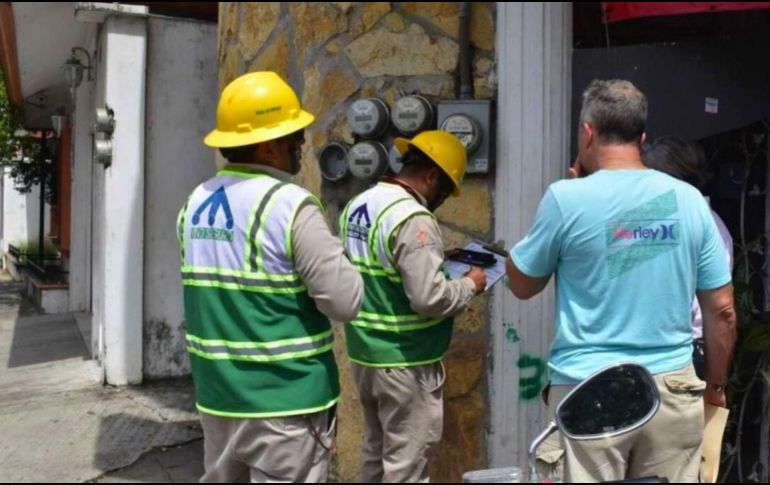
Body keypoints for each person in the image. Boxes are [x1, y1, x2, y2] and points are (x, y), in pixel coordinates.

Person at [506, 79, 737, 482]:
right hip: (672, 390)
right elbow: (723, 310)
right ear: (641, 138)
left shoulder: (566, 199)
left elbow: (523, 285)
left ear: (588, 132)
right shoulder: (687, 201)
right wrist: (715, 385)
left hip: (586, 392)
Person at [177, 71, 363, 483]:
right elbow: (345, 301)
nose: (301, 145)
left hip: (220, 401)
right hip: (286, 406)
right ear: (267, 145)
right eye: (293, 135)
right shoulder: (290, 206)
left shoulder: (195, 203)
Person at [339, 130, 486, 483]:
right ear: (432, 176)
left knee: (376, 453)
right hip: (405, 361)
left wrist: (437, 262)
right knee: (406, 466)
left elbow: (381, 267)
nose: (443, 201)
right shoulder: (413, 217)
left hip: (366, 355)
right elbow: (429, 299)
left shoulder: (361, 203)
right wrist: (471, 284)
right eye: (446, 190)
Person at [643, 136, 734, 379]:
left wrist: (715, 384)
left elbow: (721, 308)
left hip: (684, 351)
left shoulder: (707, 225)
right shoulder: (646, 222)